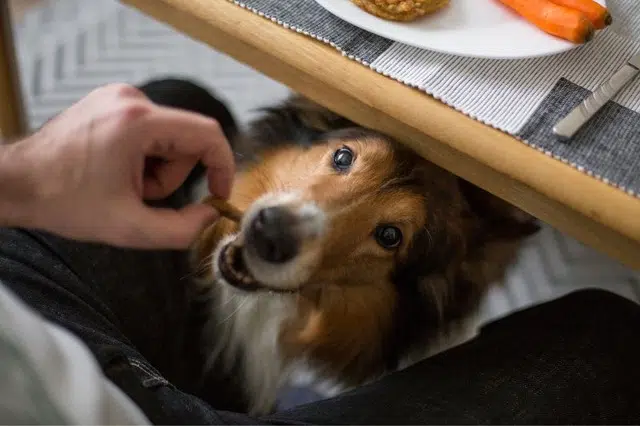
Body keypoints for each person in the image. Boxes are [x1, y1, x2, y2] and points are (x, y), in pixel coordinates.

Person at [0, 78, 639, 425]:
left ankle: (211, 373)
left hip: (18, 310)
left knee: (178, 105)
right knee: (611, 336)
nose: (290, 223)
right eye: (342, 159)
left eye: (389, 236)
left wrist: (21, 178)